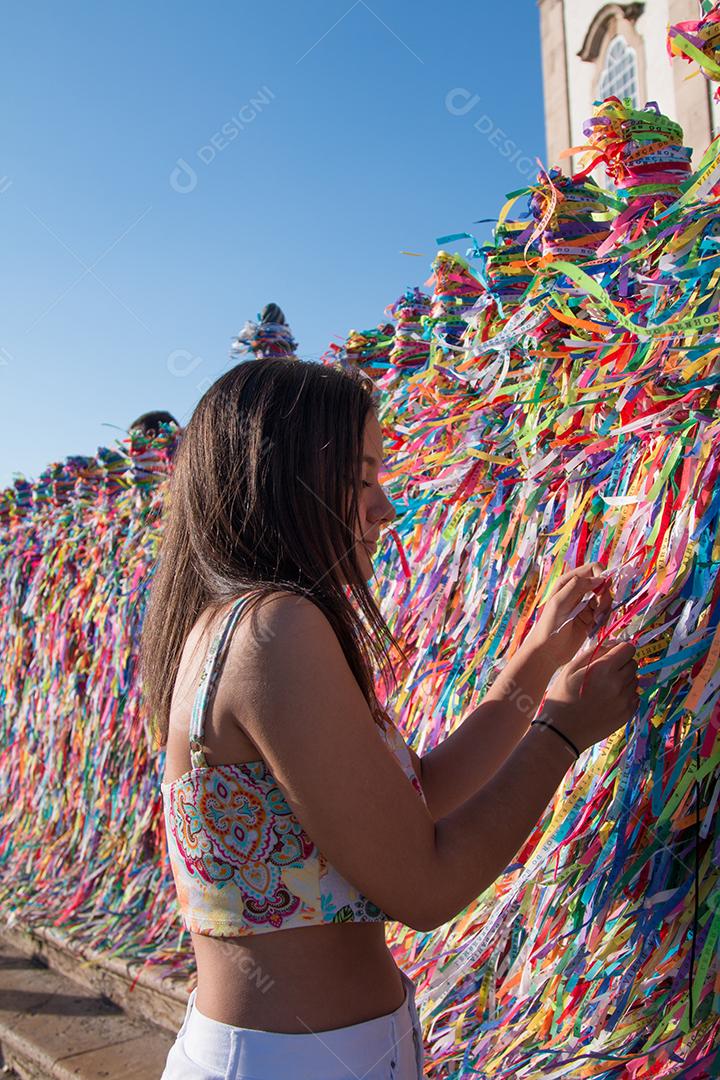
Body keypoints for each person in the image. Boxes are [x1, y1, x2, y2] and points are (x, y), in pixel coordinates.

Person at [139, 357, 639, 1080]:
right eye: (362, 475)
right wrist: (561, 732)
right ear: (283, 479)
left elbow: (422, 798)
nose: (386, 507)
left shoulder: (240, 626)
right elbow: (425, 886)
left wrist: (536, 657)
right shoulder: (274, 631)